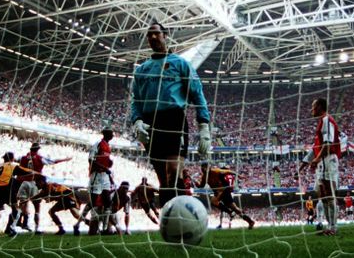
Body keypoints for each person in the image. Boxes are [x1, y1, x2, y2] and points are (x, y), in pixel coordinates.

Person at [129, 22, 212, 206]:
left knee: (173, 172)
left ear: (165, 35)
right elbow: (136, 101)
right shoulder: (141, 70)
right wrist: (137, 121)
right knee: (163, 180)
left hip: (173, 120)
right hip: (151, 124)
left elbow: (197, 94)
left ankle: (183, 216)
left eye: (156, 33)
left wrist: (204, 127)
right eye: (148, 35)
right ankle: (170, 218)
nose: (152, 37)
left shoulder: (180, 64)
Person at [299, 97, 341, 236]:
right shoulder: (321, 123)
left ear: (320, 107)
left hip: (328, 160)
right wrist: (303, 165)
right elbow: (315, 148)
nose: (311, 109)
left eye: (313, 106)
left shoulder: (326, 120)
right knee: (321, 194)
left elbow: (328, 144)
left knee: (329, 195)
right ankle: (329, 227)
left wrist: (317, 159)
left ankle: (333, 227)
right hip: (322, 161)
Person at [14, 142, 71, 233]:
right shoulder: (40, 158)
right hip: (34, 183)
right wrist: (65, 159)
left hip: (22, 183)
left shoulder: (23, 158)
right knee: (37, 206)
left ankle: (18, 224)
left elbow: (14, 160)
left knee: (23, 204)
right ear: (37, 150)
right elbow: (53, 161)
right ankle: (37, 228)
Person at [199, 162, 255, 229]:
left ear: (208, 167)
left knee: (214, 201)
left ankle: (230, 213)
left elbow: (229, 171)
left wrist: (238, 175)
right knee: (236, 209)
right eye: (202, 168)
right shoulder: (204, 177)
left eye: (204, 167)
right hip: (219, 192)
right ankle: (250, 221)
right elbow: (201, 186)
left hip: (224, 190)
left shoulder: (216, 171)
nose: (202, 169)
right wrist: (196, 183)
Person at [0, 151, 26, 237]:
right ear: (12, 159)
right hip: (7, 189)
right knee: (16, 208)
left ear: (4, 158)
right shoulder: (12, 166)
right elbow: (23, 173)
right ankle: (9, 228)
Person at [87, 126, 115, 235]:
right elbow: (91, 160)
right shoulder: (98, 144)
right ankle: (91, 226)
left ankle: (105, 228)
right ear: (106, 134)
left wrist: (109, 163)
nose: (113, 135)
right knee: (93, 202)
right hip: (96, 175)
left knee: (107, 201)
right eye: (111, 133)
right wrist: (104, 168)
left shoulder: (108, 146)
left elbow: (105, 161)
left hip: (105, 176)